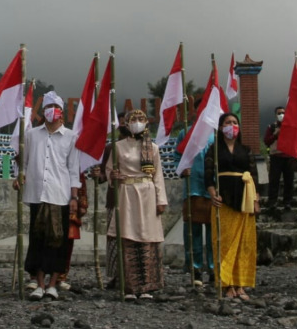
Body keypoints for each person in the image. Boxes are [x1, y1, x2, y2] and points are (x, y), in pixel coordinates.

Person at [18, 91, 78, 300]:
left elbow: (73, 169)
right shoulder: (31, 135)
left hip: (59, 196)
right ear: (43, 112)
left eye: (55, 108)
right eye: (47, 108)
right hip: (37, 195)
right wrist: (21, 177)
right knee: (38, 239)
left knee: (57, 241)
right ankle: (39, 284)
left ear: (62, 113)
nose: (51, 111)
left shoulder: (71, 137)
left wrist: (74, 197)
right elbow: (24, 164)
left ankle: (53, 283)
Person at [101, 109, 167, 300]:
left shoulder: (152, 148)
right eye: (133, 119)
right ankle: (129, 286)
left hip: (147, 193)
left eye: (141, 119)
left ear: (146, 123)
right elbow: (108, 171)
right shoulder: (118, 146)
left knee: (146, 237)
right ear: (126, 123)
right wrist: (112, 176)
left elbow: (158, 175)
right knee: (128, 236)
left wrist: (161, 199)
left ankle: (146, 286)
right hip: (126, 193)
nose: (137, 122)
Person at [204, 113, 259, 300]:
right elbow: (208, 174)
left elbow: (254, 174)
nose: (232, 125)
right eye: (228, 123)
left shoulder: (246, 149)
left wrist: (256, 199)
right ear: (220, 127)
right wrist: (213, 194)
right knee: (224, 242)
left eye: (235, 122)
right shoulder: (214, 150)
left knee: (244, 243)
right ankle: (227, 284)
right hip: (224, 198)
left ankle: (240, 284)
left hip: (244, 198)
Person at [174, 99, 215, 287]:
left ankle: (215, 268)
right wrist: (182, 169)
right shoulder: (185, 132)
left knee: (214, 233)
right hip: (193, 189)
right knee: (193, 232)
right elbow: (176, 156)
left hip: (214, 190)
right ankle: (195, 268)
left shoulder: (216, 133)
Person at [263, 106, 296, 212]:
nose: (281, 115)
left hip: (289, 157)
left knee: (289, 181)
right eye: (279, 113)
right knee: (274, 181)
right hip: (275, 157)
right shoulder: (271, 127)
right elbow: (266, 141)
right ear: (275, 115)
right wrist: (275, 135)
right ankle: (272, 202)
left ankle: (288, 202)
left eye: (283, 113)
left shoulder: (291, 127)